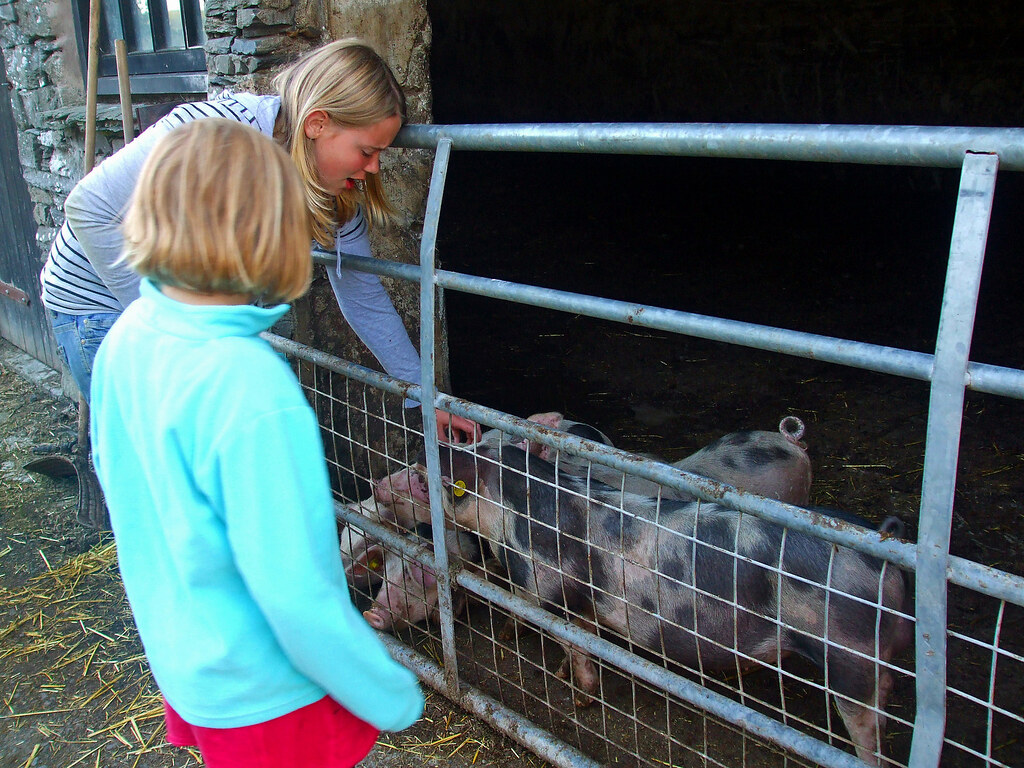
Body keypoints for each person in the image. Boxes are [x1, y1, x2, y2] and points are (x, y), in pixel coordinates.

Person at [90, 117, 424, 767]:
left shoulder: (129, 336)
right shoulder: (250, 387)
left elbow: (124, 489)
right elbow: (293, 588)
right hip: (270, 688)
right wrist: (384, 691)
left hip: (190, 656)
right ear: (271, 232)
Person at [40, 37, 479, 443]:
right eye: (367, 151)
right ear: (317, 123)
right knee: (160, 462)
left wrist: (423, 394)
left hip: (195, 328)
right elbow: (88, 208)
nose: (374, 169)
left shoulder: (335, 193)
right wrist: (177, 334)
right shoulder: (214, 132)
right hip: (105, 303)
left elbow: (362, 292)